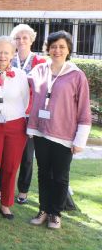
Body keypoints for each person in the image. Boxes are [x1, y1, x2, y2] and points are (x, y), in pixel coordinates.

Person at [27, 31, 90, 229]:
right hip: (41, 131)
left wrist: (80, 140)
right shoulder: (38, 70)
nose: (57, 50)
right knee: (44, 173)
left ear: (68, 49)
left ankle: (56, 213)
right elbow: (21, 88)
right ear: (48, 49)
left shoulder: (77, 75)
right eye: (53, 46)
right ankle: (43, 209)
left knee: (60, 175)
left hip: (64, 135)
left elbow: (84, 109)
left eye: (62, 46)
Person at [0, 36, 29, 220]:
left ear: (13, 54)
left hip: (16, 126)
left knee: (10, 167)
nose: (2, 56)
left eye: (6, 52)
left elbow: (25, 100)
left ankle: (6, 205)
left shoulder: (20, 75)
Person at [10, 24, 45, 204]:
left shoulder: (40, 61)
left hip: (31, 115)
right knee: (6, 154)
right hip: (11, 113)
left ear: (31, 40)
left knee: (27, 157)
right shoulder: (9, 59)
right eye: (18, 38)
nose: (21, 41)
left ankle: (23, 190)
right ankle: (1, 188)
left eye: (25, 38)